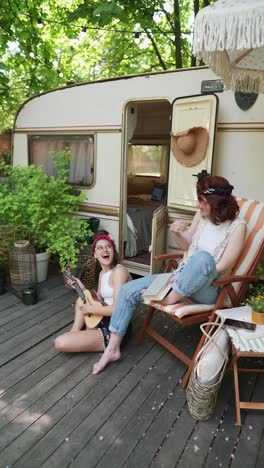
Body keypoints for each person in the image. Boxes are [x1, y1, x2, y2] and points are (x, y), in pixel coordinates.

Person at [92, 173, 247, 374]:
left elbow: (221, 266)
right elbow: (187, 245)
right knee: (128, 290)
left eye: (201, 200)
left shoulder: (238, 226)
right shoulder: (201, 215)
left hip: (209, 287)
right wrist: (177, 233)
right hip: (181, 277)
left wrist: (182, 278)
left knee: (204, 259)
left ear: (215, 202)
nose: (197, 205)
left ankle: (170, 296)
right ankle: (112, 349)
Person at [54, 232, 132, 353]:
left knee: (60, 343)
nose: (105, 250)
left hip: (116, 328)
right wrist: (82, 287)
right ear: (95, 254)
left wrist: (89, 309)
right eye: (100, 248)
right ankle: (75, 332)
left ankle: (80, 335)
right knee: (81, 299)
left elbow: (117, 309)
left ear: (113, 251)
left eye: (108, 247)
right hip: (102, 319)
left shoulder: (119, 271)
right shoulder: (102, 274)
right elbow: (98, 300)